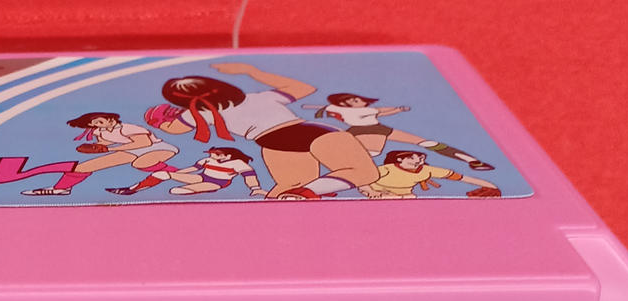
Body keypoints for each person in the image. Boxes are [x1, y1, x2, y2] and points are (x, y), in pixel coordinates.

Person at [145, 63, 378, 200]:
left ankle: (301, 194)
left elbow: (172, 129)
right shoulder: (261, 97)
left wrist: (158, 117)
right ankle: (308, 190)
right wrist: (251, 71)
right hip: (309, 131)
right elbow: (303, 88)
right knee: (363, 172)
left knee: (284, 191)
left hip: (274, 144)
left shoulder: (199, 114)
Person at [302, 93, 495, 170]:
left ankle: (472, 161)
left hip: (380, 128)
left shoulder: (344, 109)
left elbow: (380, 111)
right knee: (371, 153)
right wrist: (398, 109)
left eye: (357, 99)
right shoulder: (352, 111)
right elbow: (381, 110)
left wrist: (398, 110)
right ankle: (319, 164)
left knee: (425, 142)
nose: (358, 101)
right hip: (363, 131)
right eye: (352, 101)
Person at [21, 112, 179, 196]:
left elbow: (144, 143)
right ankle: (60, 188)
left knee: (141, 163)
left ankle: (178, 174)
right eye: (93, 123)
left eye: (99, 121)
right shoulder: (100, 131)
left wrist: (109, 150)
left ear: (110, 119)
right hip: (128, 150)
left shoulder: (128, 127)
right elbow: (106, 143)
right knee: (83, 167)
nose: (96, 124)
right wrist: (95, 147)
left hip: (157, 147)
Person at [106, 147, 263, 196]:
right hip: (201, 177)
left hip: (218, 183)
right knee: (161, 174)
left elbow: (249, 177)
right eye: (211, 153)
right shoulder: (207, 160)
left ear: (227, 156)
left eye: (215, 154)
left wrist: (255, 188)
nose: (211, 156)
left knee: (176, 191)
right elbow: (194, 169)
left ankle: (200, 192)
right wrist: (178, 173)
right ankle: (132, 189)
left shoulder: (238, 163)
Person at [362, 150, 501, 199]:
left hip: (404, 196)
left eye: (420, 158)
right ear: (400, 160)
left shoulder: (427, 170)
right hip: (375, 192)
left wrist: (492, 187)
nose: (418, 161)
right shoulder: (387, 168)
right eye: (412, 158)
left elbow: (462, 178)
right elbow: (362, 180)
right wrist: (370, 191)